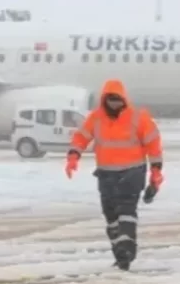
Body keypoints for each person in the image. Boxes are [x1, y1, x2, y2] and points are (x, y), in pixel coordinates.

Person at [65, 79, 164, 271]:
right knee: (111, 217)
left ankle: (127, 249)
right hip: (106, 175)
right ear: (104, 100)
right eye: (111, 101)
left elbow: (154, 146)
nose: (114, 105)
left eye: (118, 100)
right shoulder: (96, 118)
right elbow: (81, 137)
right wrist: (73, 156)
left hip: (132, 173)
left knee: (126, 212)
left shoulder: (138, 118)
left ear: (124, 100)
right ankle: (120, 253)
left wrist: (156, 173)